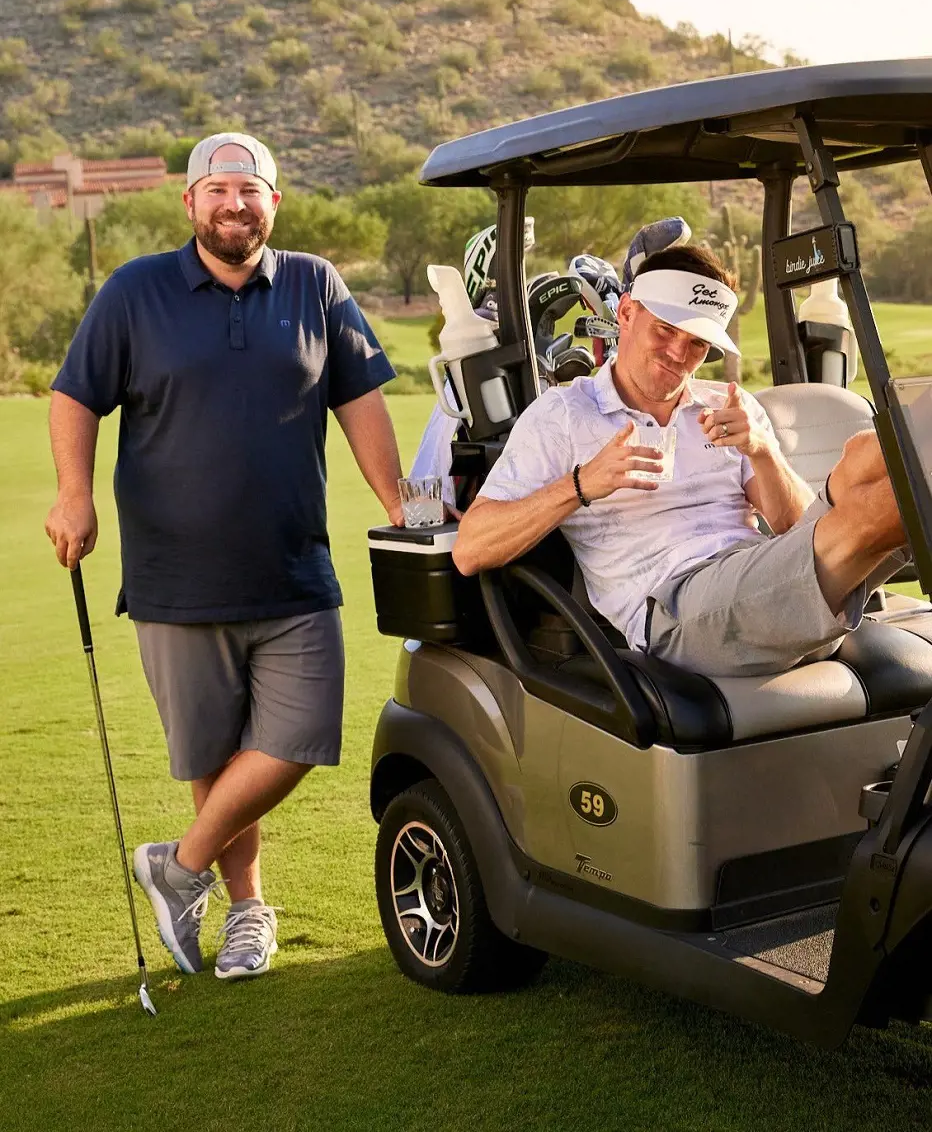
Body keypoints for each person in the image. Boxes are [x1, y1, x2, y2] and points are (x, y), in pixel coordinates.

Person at [45, 132, 405, 980]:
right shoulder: (135, 291)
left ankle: (177, 867)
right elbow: (74, 395)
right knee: (213, 762)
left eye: (250, 189)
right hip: (176, 584)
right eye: (218, 189)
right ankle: (247, 912)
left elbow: (361, 403)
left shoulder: (316, 284)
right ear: (191, 203)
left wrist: (401, 505)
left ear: (273, 202)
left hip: (294, 573)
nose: (234, 203)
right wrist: (73, 493)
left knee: (303, 737)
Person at [453, 244, 908, 679]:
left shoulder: (727, 405)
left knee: (868, 457)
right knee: (884, 507)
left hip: (762, 584)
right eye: (665, 331)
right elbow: (470, 549)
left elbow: (798, 532)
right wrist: (580, 484)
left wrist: (763, 452)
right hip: (674, 610)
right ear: (627, 313)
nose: (678, 355)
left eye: (696, 344)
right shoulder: (564, 415)